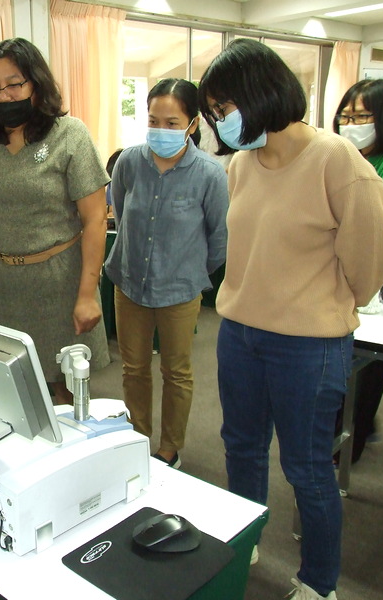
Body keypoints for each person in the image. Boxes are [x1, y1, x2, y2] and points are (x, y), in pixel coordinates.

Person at [198, 39, 383, 600]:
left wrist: (327, 302)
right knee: (240, 447)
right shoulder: (242, 164)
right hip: (240, 334)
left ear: (260, 94)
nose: (220, 121)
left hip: (309, 346)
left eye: (224, 107)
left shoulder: (337, 161)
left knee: (308, 468)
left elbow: (374, 257)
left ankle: (318, 582)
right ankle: (246, 536)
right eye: (214, 112)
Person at [0, 38, 110, 404]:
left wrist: (87, 295)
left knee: (65, 392)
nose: (3, 95)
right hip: (3, 287)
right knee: (12, 391)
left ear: (36, 83)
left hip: (59, 285)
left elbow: (95, 219)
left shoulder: (70, 134)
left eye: (14, 84)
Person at [105, 78, 228, 470]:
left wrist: (187, 271)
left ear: (192, 124)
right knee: (134, 369)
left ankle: (170, 448)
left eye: (172, 123)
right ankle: (138, 437)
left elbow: (219, 239)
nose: (161, 130)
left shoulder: (210, 174)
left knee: (176, 372)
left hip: (180, 290)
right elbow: (121, 214)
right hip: (129, 283)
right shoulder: (128, 163)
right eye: (153, 121)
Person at [333, 78, 383, 462]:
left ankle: (354, 442)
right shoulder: (343, 154)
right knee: (341, 348)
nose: (351, 124)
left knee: (373, 360)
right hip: (340, 258)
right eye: (346, 116)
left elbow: (376, 217)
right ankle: (341, 426)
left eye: (362, 116)